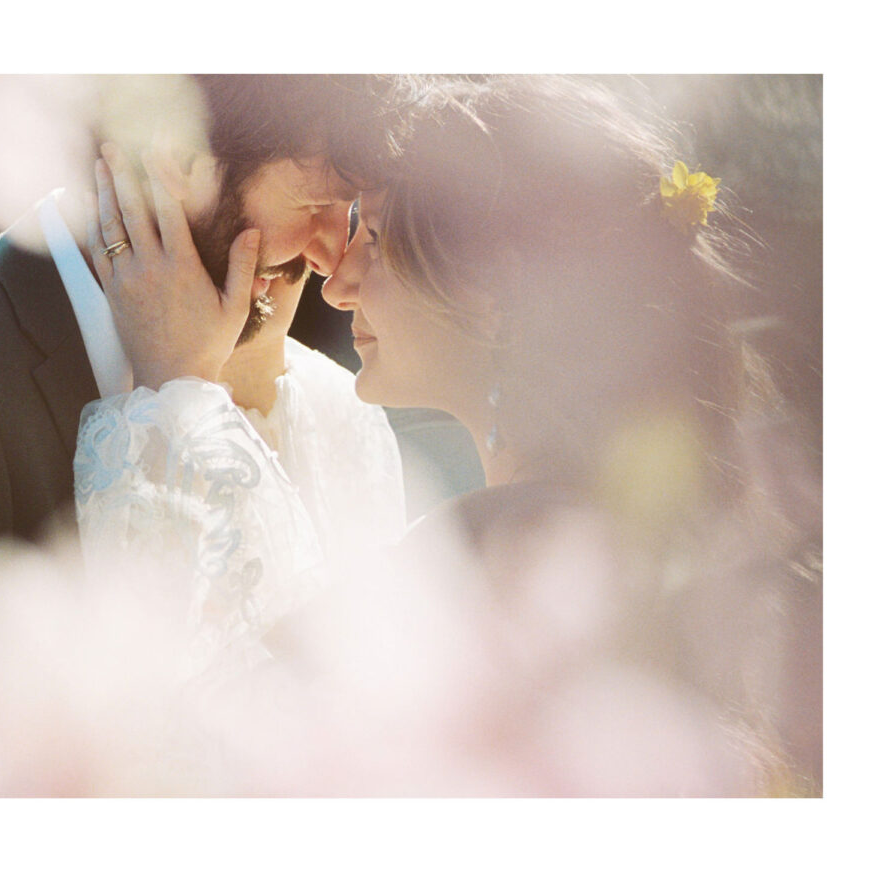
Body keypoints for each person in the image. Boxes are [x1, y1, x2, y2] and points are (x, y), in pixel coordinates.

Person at [74, 75, 818, 792]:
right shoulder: (629, 542)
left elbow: (200, 762)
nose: (337, 283)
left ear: (491, 287)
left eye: (375, 236)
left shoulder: (493, 564)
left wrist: (173, 394)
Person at [0, 75, 408, 686]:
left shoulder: (309, 390)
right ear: (175, 157)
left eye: (349, 211)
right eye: (315, 205)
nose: (332, 255)